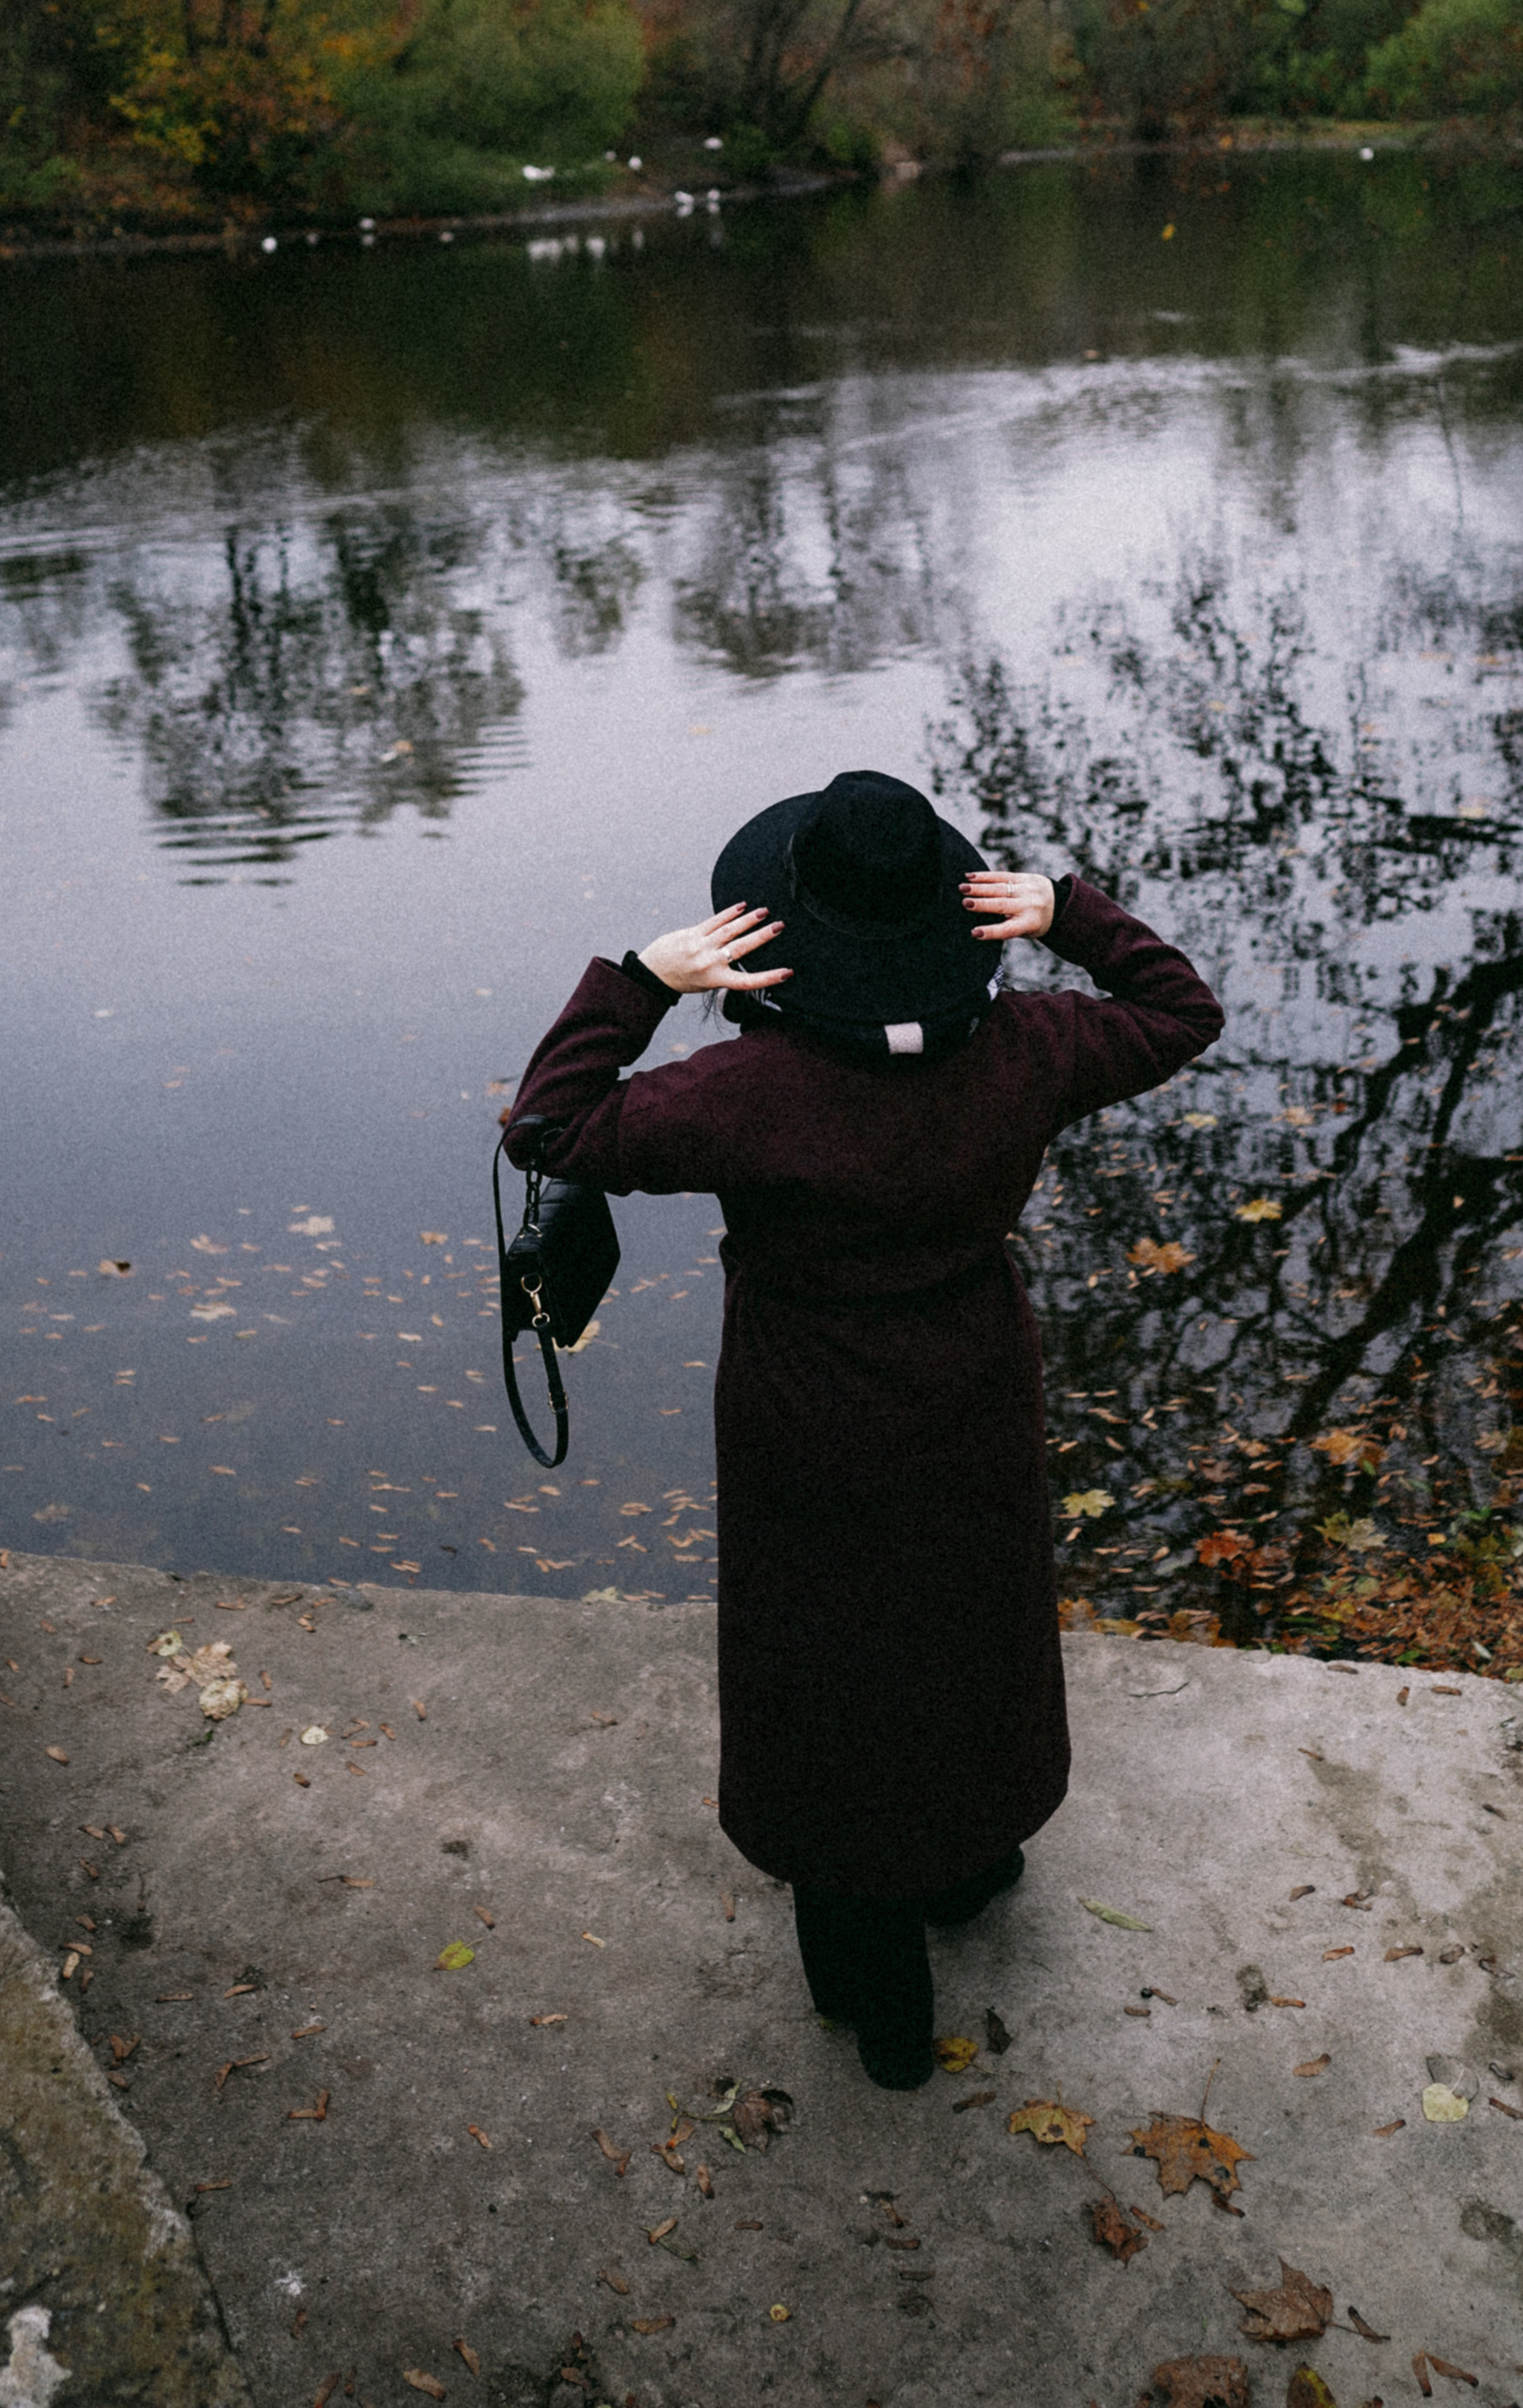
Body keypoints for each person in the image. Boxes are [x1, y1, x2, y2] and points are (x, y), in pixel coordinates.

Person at [503, 767, 1223, 2089]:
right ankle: (974, 1858)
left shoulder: (745, 1091)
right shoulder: (1033, 1053)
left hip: (805, 1412)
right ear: (954, 918)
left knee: (829, 1669)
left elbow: (549, 1121)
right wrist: (1067, 911)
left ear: (782, 934)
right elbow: (1184, 1008)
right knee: (966, 1621)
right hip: (973, 1386)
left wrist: (644, 981)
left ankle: (884, 2014)